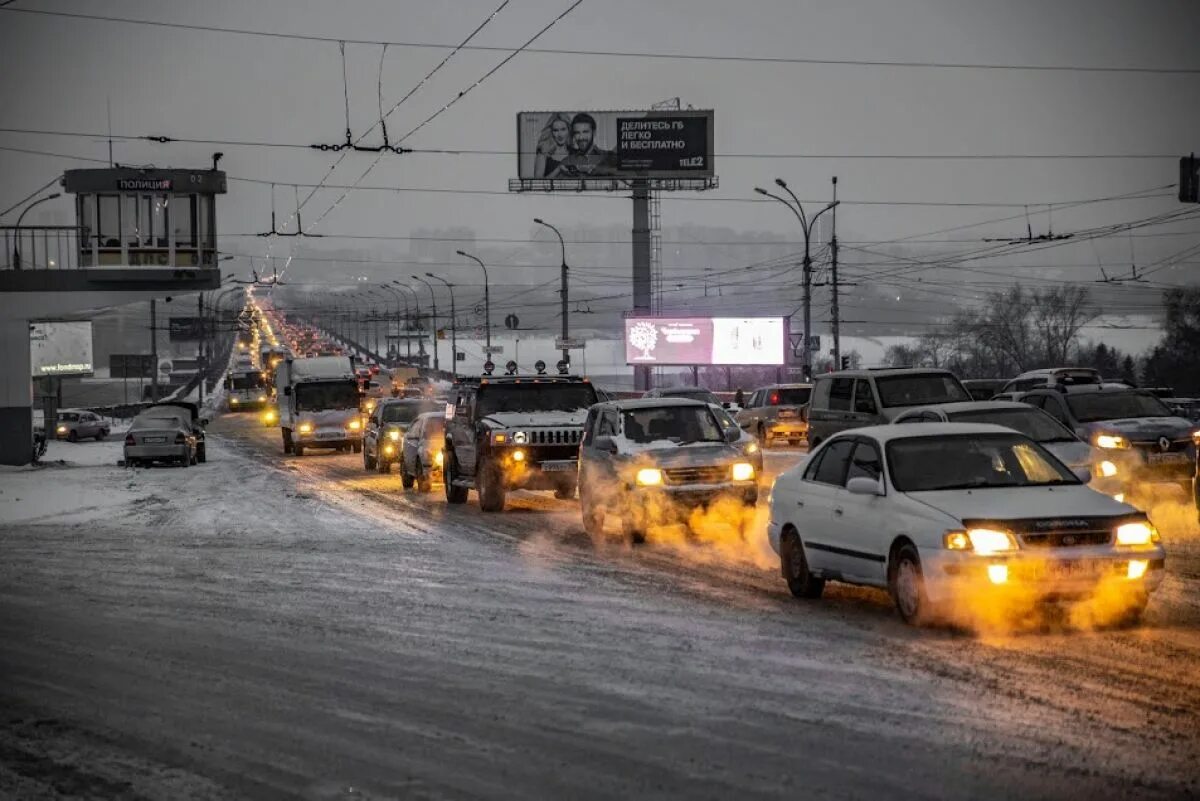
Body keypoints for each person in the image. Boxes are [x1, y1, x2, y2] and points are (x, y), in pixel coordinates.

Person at [550, 113, 618, 178]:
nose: (581, 137)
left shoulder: (608, 156)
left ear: (593, 133)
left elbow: (625, 173)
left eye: (585, 132)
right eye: (577, 133)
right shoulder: (568, 161)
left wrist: (593, 169)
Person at [533, 114, 571, 178]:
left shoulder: (574, 151)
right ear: (551, 132)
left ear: (569, 130)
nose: (560, 135)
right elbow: (538, 183)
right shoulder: (544, 152)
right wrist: (558, 169)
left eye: (563, 129)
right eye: (556, 130)